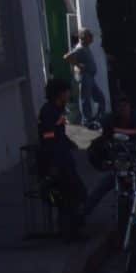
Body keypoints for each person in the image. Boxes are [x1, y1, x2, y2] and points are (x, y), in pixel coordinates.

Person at [33, 78, 90, 241]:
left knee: (72, 196)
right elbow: (49, 137)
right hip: (57, 161)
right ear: (59, 94)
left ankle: (70, 230)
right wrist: (54, 163)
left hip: (63, 159)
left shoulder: (57, 110)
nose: (68, 94)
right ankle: (70, 232)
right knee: (73, 195)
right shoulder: (49, 112)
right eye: (66, 91)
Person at [68, 28, 107, 129]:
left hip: (90, 77)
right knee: (86, 100)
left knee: (100, 98)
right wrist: (78, 65)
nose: (92, 37)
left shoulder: (85, 46)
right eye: (90, 36)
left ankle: (97, 119)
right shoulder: (79, 48)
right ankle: (87, 122)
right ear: (83, 37)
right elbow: (67, 57)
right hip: (85, 77)